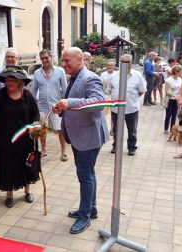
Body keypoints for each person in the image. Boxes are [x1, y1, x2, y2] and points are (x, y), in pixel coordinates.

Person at [52, 47, 109, 234]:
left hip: (88, 136)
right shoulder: (74, 78)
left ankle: (84, 216)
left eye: (68, 60)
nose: (64, 64)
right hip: (80, 135)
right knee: (88, 174)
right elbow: (76, 103)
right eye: (62, 60)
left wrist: (70, 103)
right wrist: (63, 108)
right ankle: (90, 209)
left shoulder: (90, 77)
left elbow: (99, 102)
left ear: (80, 60)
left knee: (85, 175)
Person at [0, 66, 40, 208]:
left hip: (25, 139)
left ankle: (27, 191)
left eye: (13, 80)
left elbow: (35, 114)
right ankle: (9, 194)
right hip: (6, 139)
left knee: (26, 164)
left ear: (20, 81)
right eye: (7, 80)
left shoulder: (27, 95)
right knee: (8, 165)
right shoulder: (1, 94)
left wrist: (35, 125)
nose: (9, 82)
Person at [32, 49, 68, 161]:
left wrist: (65, 103)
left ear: (51, 57)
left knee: (60, 129)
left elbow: (65, 89)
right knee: (42, 129)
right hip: (42, 105)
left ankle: (63, 152)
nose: (44, 60)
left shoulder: (60, 71)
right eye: (42, 58)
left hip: (56, 106)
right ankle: (43, 150)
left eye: (46, 57)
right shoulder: (37, 73)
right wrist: (33, 104)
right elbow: (34, 91)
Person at [107, 54, 146, 156]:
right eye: (122, 62)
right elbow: (110, 89)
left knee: (132, 130)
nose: (124, 64)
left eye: (126, 62)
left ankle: (131, 147)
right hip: (116, 109)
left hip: (131, 109)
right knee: (116, 129)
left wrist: (132, 98)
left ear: (131, 63)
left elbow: (141, 91)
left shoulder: (137, 75)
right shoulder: (114, 75)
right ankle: (116, 145)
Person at [163, 65, 182, 134]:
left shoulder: (180, 79)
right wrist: (174, 96)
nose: (181, 73)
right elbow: (167, 91)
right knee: (168, 114)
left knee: (174, 115)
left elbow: (181, 89)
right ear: (176, 72)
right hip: (169, 99)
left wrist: (180, 97)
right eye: (180, 72)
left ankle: (172, 130)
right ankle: (166, 129)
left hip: (176, 100)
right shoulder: (169, 80)